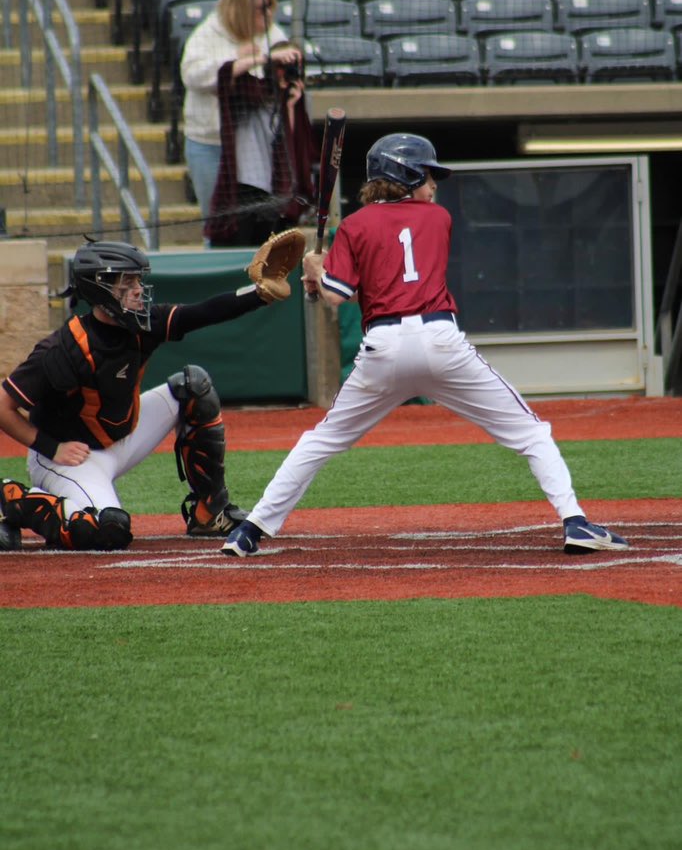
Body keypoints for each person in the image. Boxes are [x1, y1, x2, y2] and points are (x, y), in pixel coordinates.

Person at [221, 133, 629, 559]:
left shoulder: (356, 225)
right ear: (406, 175)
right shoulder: (438, 218)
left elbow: (339, 295)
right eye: (428, 176)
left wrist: (317, 272)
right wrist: (322, 274)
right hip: (440, 342)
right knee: (530, 432)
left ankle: (250, 529)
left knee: (322, 440)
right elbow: (390, 277)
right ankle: (575, 521)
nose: (433, 185)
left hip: (383, 348)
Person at [0, 238, 281, 552]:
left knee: (194, 386)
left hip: (121, 437)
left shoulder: (142, 324)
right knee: (108, 532)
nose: (138, 289)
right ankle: (12, 499)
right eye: (128, 282)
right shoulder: (63, 349)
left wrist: (260, 294)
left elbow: (202, 312)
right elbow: (3, 406)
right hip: (70, 458)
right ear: (100, 287)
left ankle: (209, 514)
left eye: (138, 280)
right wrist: (51, 447)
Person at [180, 0, 315, 241]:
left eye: (270, 7)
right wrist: (241, 60)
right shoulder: (207, 34)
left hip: (254, 146)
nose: (267, 14)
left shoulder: (271, 32)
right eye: (260, 8)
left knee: (262, 222)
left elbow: (284, 65)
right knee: (217, 223)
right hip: (209, 142)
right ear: (242, 9)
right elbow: (193, 76)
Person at [207, 37, 318, 247]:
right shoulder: (250, 90)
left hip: (273, 192)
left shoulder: (294, 104)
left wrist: (291, 106)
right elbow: (226, 74)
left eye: (294, 66)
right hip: (243, 188)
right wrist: (266, 57)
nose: (288, 71)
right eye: (281, 65)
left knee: (266, 259)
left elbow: (293, 150)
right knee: (239, 253)